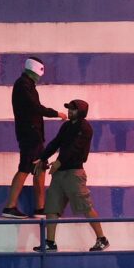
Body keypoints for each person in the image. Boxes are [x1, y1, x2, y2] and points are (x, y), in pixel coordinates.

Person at [32, 100, 109, 253]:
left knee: (85, 206)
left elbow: (75, 148)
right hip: (60, 173)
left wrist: (59, 162)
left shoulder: (85, 128)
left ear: (81, 112)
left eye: (73, 109)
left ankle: (102, 239)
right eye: (69, 109)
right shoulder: (66, 126)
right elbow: (55, 143)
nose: (69, 111)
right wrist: (42, 158)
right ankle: (50, 242)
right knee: (51, 208)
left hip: (74, 173)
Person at [1, 57, 66, 218]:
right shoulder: (23, 85)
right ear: (34, 70)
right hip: (29, 134)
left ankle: (40, 208)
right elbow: (35, 107)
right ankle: (10, 207)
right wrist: (56, 113)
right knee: (25, 167)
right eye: (39, 73)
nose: (40, 77)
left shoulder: (27, 85)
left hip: (34, 134)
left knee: (40, 167)